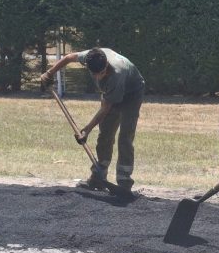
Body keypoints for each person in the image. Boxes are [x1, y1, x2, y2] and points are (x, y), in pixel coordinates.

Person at [40, 47, 144, 197]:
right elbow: (69, 58)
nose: (97, 78)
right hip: (110, 94)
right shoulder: (89, 57)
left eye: (100, 74)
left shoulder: (117, 74)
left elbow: (106, 108)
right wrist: (49, 73)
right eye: (94, 74)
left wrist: (87, 129)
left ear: (106, 66)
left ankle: (124, 182)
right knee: (105, 135)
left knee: (125, 138)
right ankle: (97, 179)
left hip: (132, 93)